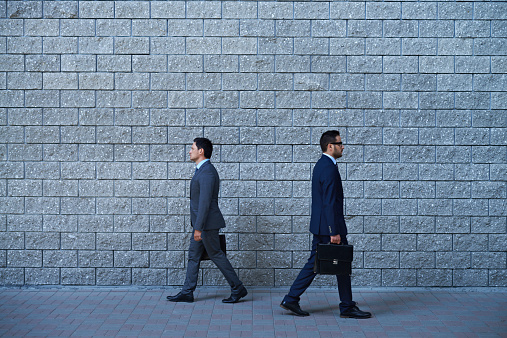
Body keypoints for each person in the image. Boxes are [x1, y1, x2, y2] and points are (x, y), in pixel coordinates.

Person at [280, 130, 372, 318]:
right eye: (340, 143)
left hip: (322, 225)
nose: (343, 146)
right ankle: (346, 307)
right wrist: (334, 231)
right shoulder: (329, 167)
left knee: (318, 263)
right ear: (330, 146)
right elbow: (329, 202)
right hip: (329, 227)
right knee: (341, 264)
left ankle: (292, 298)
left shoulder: (322, 164)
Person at [167, 137, 248, 303]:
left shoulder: (207, 172)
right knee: (193, 256)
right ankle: (187, 292)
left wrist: (198, 228)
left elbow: (204, 203)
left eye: (192, 148)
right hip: (201, 224)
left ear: (201, 151)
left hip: (205, 225)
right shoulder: (202, 170)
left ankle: (238, 288)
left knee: (217, 255)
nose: (189, 151)